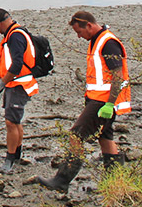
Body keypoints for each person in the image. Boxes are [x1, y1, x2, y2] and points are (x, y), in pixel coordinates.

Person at [38, 10, 132, 192]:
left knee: (76, 136)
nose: (79, 37)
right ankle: (116, 183)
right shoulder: (97, 41)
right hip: (97, 100)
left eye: (79, 32)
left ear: (88, 25)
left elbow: (118, 76)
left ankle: (62, 180)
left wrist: (110, 104)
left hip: (103, 102)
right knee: (105, 137)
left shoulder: (108, 43)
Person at [0, 8, 39, 173]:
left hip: (19, 85)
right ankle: (16, 154)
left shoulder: (15, 36)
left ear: (1, 22)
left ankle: (9, 160)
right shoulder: (12, 34)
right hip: (14, 83)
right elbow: (9, 63)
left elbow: (17, 64)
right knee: (15, 121)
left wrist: (2, 83)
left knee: (10, 122)